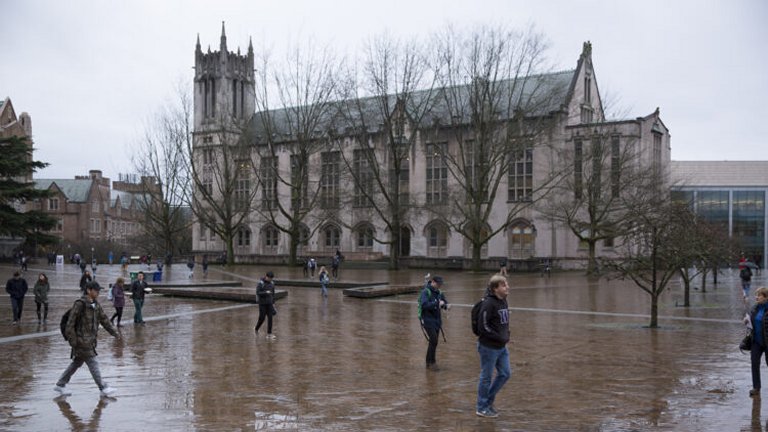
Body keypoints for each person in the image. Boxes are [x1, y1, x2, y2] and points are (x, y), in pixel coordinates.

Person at [54, 281, 119, 397]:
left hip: (90, 341)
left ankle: (60, 384)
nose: (98, 292)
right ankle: (103, 387)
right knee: (93, 363)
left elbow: (104, 320)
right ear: (89, 290)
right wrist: (73, 341)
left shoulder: (96, 305)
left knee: (76, 363)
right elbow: (70, 324)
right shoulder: (80, 304)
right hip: (81, 342)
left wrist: (114, 333)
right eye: (96, 290)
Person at [475, 274, 511, 418]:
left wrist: (507, 335)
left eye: (506, 284)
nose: (507, 287)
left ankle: (487, 400)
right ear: (496, 288)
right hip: (488, 347)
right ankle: (481, 407)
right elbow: (483, 326)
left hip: (502, 346)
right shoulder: (488, 304)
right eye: (504, 285)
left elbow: (503, 323)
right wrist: (500, 337)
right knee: (486, 377)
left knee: (505, 374)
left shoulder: (504, 301)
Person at [419, 275, 449, 371]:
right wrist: (436, 304)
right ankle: (432, 363)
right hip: (427, 320)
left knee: (434, 342)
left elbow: (444, 302)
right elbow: (424, 305)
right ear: (432, 282)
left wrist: (446, 306)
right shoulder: (425, 292)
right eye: (438, 284)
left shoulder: (439, 292)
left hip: (437, 321)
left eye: (440, 284)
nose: (440, 286)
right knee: (434, 340)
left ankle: (429, 362)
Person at [747, 287, 768, 398]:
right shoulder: (755, 308)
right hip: (756, 342)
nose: (756, 297)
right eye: (756, 295)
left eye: (759, 295)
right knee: (754, 363)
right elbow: (751, 322)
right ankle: (756, 387)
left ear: (766, 297)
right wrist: (746, 321)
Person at [255, 271, 277, 339]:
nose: (270, 280)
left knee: (270, 318)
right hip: (262, 304)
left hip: (269, 303)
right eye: (269, 278)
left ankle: (269, 334)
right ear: (266, 276)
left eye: (271, 279)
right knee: (262, 318)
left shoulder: (272, 283)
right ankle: (256, 328)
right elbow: (258, 292)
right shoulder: (261, 283)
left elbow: (273, 294)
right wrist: (265, 292)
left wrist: (273, 303)